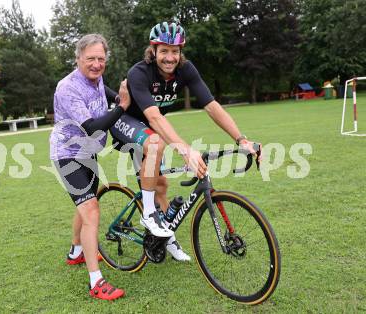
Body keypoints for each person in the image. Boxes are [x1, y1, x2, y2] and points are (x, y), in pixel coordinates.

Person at [109, 22, 261, 261]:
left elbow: (211, 106)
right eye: (164, 51)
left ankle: (165, 238)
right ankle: (148, 214)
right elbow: (154, 116)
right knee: (156, 143)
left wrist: (241, 139)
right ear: (154, 49)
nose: (170, 57)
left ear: (181, 52)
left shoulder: (186, 70)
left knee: (161, 185)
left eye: (175, 51)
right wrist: (185, 150)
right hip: (126, 121)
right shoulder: (139, 73)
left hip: (149, 129)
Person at [49, 34, 130, 300]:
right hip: (67, 154)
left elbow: (105, 94)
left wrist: (120, 98)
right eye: (90, 59)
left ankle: (76, 252)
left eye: (101, 59)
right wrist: (123, 107)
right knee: (91, 211)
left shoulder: (97, 77)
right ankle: (96, 282)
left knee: (86, 204)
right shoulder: (68, 87)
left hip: (88, 152)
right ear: (78, 59)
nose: (96, 64)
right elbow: (92, 127)